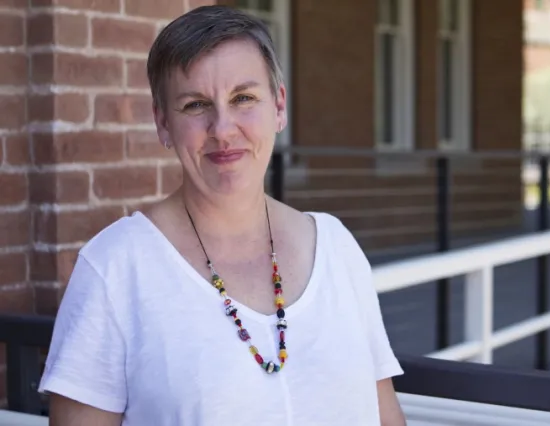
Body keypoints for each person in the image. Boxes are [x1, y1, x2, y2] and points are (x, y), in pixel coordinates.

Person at [38, 5, 406, 426]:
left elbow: (385, 415)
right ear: (162, 123)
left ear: (279, 106)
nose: (223, 128)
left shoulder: (336, 247)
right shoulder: (115, 268)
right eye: (196, 105)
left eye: (243, 98)